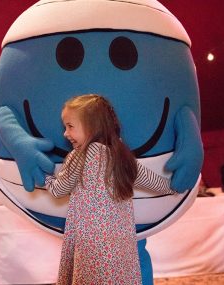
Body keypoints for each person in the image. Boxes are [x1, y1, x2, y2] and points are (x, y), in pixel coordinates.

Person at [45, 94, 176, 284]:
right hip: (120, 245)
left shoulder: (79, 156)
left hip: (92, 246)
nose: (65, 133)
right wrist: (174, 188)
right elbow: (153, 181)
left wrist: (45, 178)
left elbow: (58, 190)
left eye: (70, 126)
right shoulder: (121, 155)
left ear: (92, 126)